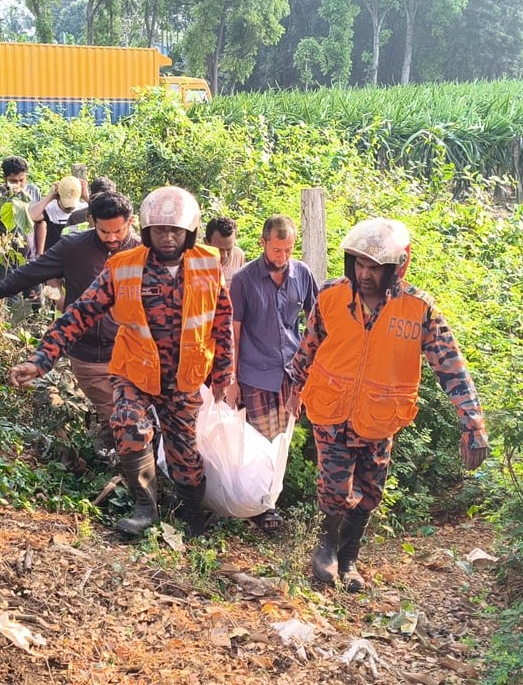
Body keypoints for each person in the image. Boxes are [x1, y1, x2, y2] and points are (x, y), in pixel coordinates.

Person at [10, 186, 233, 539]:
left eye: (175, 230)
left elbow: (222, 320)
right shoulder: (123, 266)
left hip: (185, 376)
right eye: (159, 230)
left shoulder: (208, 263)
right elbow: (79, 313)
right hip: (135, 370)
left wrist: (223, 374)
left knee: (184, 455)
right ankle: (145, 508)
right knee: (128, 426)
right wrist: (42, 360)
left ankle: (193, 513)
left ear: (189, 230)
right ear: (145, 229)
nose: (168, 237)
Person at [287, 218, 488, 592]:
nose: (365, 275)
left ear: (396, 267)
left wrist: (472, 422)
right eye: (360, 265)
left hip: (380, 417)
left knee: (370, 492)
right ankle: (326, 548)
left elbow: (451, 368)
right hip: (331, 410)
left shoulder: (417, 309)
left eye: (375, 268)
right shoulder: (331, 296)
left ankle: (349, 560)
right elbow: (307, 350)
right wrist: (290, 392)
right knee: (334, 486)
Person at [0, 191, 140, 457]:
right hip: (89, 356)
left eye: (118, 231)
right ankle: (134, 481)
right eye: (104, 231)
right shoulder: (73, 248)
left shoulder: (143, 253)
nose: (112, 238)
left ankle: (116, 459)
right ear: (91, 221)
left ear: (131, 221)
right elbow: (33, 270)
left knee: (131, 419)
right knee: (123, 420)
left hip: (132, 354)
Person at [226, 215, 319, 534]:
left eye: (288, 250)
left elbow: (317, 321)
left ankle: (266, 499)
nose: (283, 257)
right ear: (263, 243)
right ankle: (263, 507)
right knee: (258, 440)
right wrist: (232, 379)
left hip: (291, 371)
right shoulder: (243, 279)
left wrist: (312, 370)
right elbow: (234, 331)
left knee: (281, 439)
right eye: (277, 250)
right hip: (254, 370)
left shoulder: (302, 274)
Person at [0, 156, 43, 262]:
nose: (18, 185)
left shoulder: (33, 191)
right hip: (6, 258)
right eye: (13, 181)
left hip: (31, 258)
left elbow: (40, 222)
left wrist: (40, 253)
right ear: (5, 178)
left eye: (22, 180)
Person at [30, 175, 89, 256]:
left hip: (77, 256)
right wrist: (50, 196)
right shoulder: (51, 209)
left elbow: (102, 214)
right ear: (59, 196)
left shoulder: (84, 209)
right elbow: (32, 216)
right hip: (54, 257)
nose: (69, 208)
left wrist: (87, 197)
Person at [204, 217, 245, 282]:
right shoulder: (194, 260)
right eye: (218, 250)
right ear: (206, 243)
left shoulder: (239, 256)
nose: (224, 256)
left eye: (229, 249)